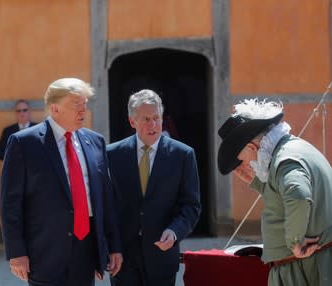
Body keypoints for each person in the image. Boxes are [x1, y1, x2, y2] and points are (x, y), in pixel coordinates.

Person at [0, 78, 123, 286]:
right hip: (43, 251)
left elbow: (105, 199)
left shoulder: (95, 142)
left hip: (86, 248)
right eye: (76, 104)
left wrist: (113, 246)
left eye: (85, 104)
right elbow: (10, 204)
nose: (83, 110)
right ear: (55, 109)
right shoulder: (24, 143)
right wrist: (16, 252)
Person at [217, 99, 332, 285]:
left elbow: (298, 196)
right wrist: (256, 182)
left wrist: (295, 242)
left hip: (301, 270)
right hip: (304, 266)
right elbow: (283, 194)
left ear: (251, 148)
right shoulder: (294, 149)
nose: (244, 166)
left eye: (242, 159)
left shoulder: (285, 159)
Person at [106, 89, 201, 286]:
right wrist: (110, 247)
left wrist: (175, 231)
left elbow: (191, 206)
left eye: (157, 118)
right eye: (146, 119)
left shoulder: (183, 155)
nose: (153, 125)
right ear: (132, 122)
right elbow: (107, 206)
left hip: (162, 255)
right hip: (123, 258)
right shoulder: (112, 155)